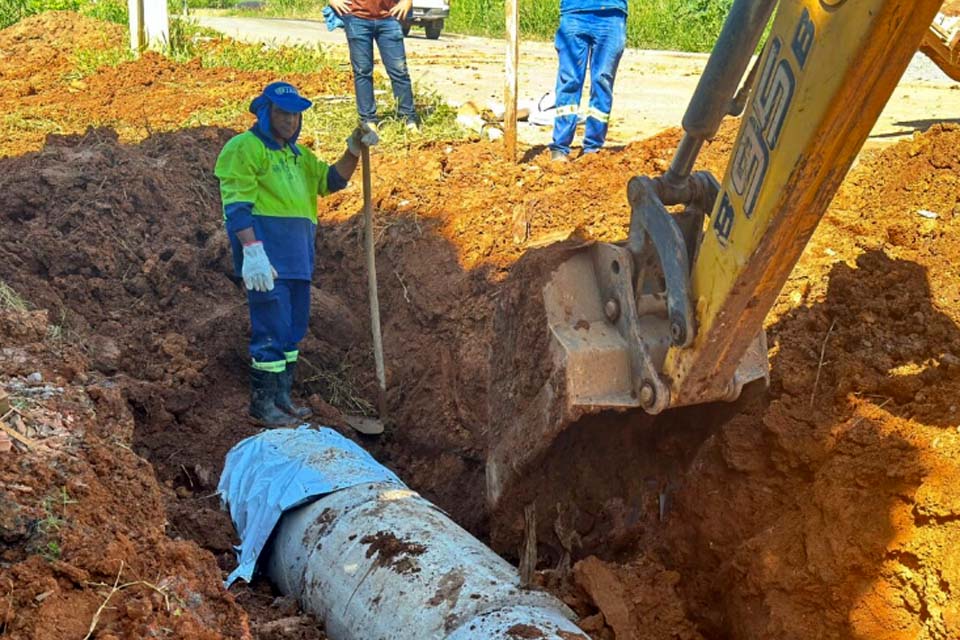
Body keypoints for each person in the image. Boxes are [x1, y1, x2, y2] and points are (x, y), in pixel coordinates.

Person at [215, 81, 378, 427]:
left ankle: (283, 398)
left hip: (298, 260)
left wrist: (353, 150)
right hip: (267, 261)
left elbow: (331, 181)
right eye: (282, 113)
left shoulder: (299, 157)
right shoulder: (244, 149)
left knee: (292, 330)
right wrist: (252, 252)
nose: (290, 121)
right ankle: (263, 405)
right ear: (265, 113)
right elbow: (238, 206)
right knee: (271, 328)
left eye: (295, 115)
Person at [548, 0, 627, 161]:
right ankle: (560, 147)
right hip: (574, 12)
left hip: (611, 14)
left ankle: (593, 148)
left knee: (602, 81)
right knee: (570, 80)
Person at [328, 0, 420, 130]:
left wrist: (407, 2)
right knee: (362, 71)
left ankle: (407, 119)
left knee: (399, 71)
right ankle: (368, 120)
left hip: (390, 18)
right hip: (357, 18)